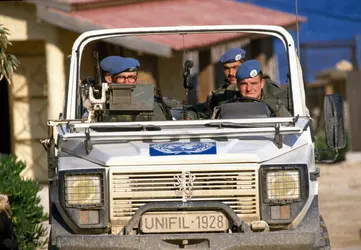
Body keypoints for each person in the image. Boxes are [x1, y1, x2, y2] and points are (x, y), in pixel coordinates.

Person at [83, 56, 172, 121]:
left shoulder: (147, 99)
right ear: (109, 79)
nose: (127, 82)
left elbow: (160, 128)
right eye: (121, 78)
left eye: (131, 77)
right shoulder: (97, 102)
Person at [226, 59, 290, 117]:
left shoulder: (275, 107)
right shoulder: (228, 107)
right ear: (237, 85)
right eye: (244, 84)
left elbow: (289, 126)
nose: (249, 89)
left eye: (253, 83)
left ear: (262, 83)